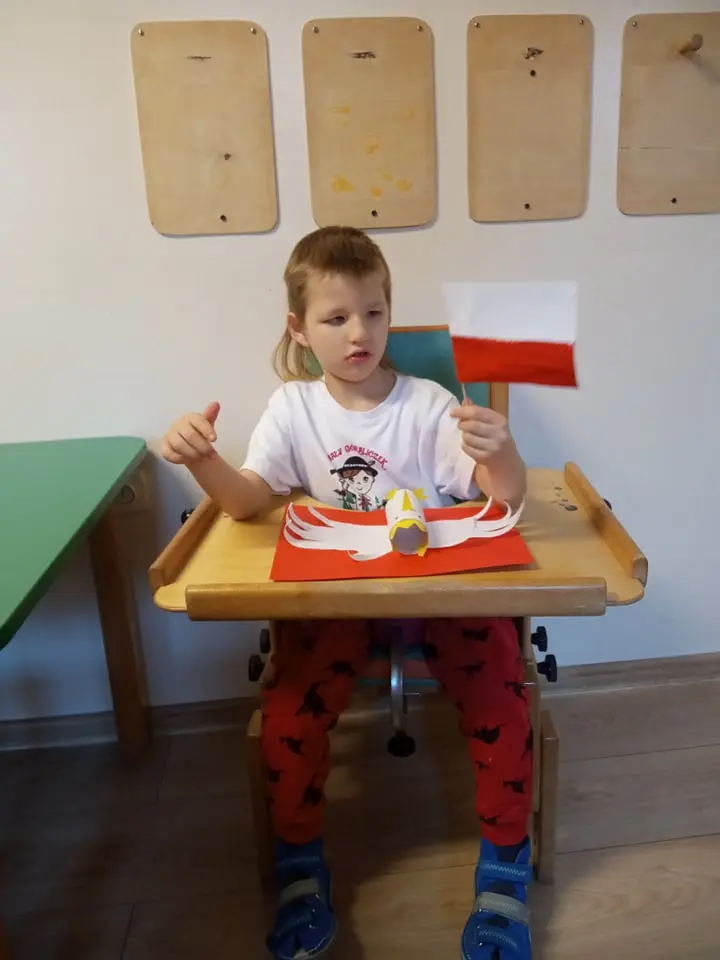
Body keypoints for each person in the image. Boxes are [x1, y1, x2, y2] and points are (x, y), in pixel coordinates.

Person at [162, 226, 533, 960]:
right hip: (336, 601)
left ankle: (503, 872)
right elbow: (245, 502)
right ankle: (301, 870)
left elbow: (503, 501)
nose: (359, 333)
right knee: (288, 711)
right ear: (299, 329)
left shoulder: (427, 403)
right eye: (335, 318)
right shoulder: (293, 409)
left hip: (436, 597)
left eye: (374, 312)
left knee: (504, 695)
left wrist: (506, 454)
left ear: (389, 314)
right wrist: (202, 461)